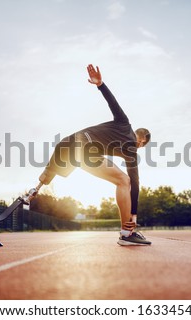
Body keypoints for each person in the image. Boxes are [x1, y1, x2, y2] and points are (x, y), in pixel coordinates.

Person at [36, 64, 151, 246]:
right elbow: (134, 182)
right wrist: (134, 213)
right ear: (143, 140)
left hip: (69, 144)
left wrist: (100, 84)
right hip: (85, 149)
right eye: (141, 144)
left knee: (52, 174)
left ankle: (38, 185)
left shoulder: (124, 123)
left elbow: (113, 104)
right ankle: (127, 234)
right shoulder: (130, 143)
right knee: (123, 181)